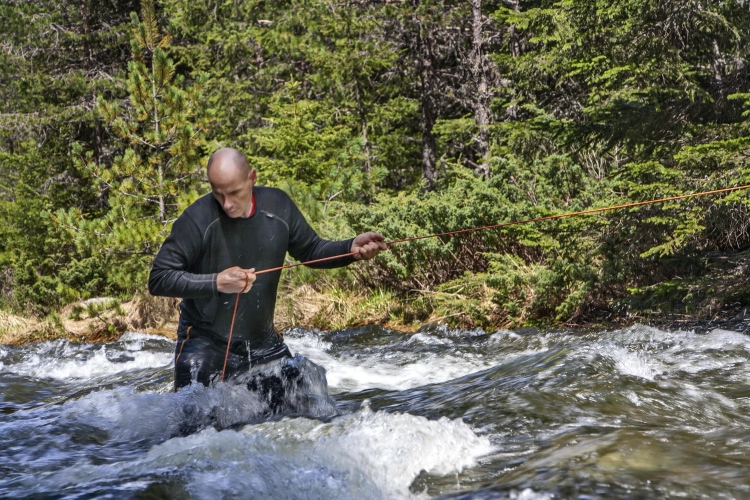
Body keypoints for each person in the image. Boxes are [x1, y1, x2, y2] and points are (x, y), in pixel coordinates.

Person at [148, 148, 386, 398]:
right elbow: (159, 278)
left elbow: (312, 250)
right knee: (192, 429)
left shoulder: (278, 206)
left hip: (263, 344)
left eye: (234, 193)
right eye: (218, 194)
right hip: (204, 344)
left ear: (252, 178)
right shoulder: (196, 219)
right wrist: (217, 282)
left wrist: (349, 249)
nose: (227, 204)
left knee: (307, 408)